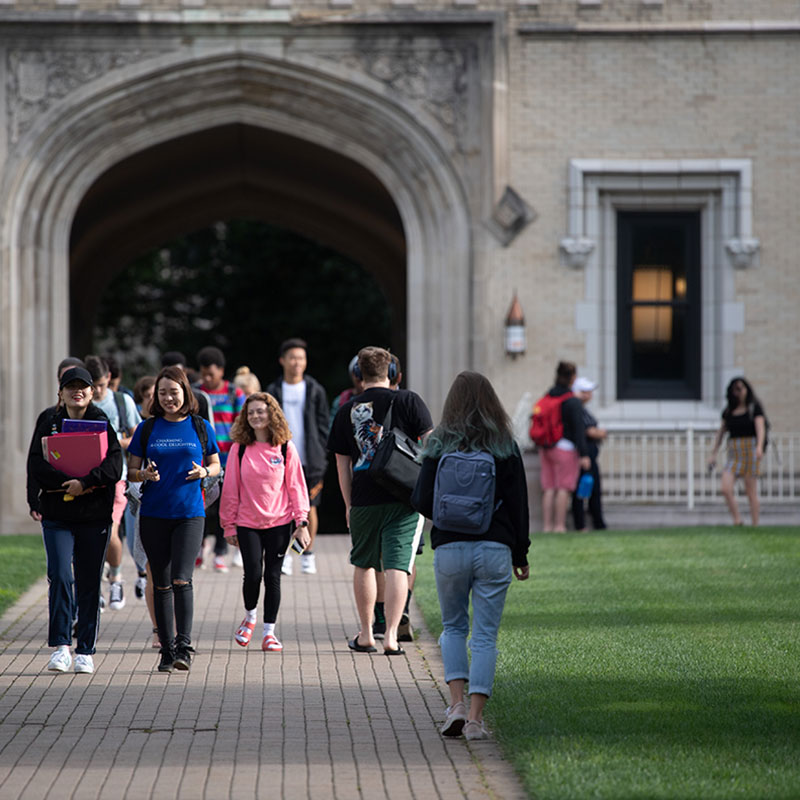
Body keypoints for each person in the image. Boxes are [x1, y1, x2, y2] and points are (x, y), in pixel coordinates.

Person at [411, 371, 530, 741]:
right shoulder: (504, 444)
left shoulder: (439, 444)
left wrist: (449, 516)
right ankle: (476, 721)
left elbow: (420, 500)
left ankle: (456, 705)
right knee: (485, 636)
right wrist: (520, 553)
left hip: (449, 548)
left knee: (454, 628)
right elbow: (519, 505)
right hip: (495, 547)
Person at [328, 346, 432, 655]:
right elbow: (431, 445)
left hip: (363, 498)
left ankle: (365, 635)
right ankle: (390, 637)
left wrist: (348, 505)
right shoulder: (410, 400)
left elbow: (341, 463)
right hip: (405, 497)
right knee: (398, 567)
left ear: (358, 374)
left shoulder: (347, 409)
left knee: (364, 565)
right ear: (390, 373)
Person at [26, 366, 123, 674]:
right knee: (60, 576)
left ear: (92, 391)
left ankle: (85, 650)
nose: (77, 391)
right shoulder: (48, 421)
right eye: (71, 386)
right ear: (61, 392)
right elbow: (35, 463)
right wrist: (66, 480)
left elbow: (114, 465)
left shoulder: (100, 421)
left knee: (89, 581)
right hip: (57, 514)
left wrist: (86, 482)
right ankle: (61, 647)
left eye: (83, 386)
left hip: (94, 515)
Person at [127, 366, 221, 673]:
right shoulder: (147, 428)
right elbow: (131, 472)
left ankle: (184, 647)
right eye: (163, 393)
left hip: (190, 514)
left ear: (185, 393)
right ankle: (166, 651)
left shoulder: (200, 425)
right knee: (162, 582)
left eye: (174, 392)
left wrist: (204, 472)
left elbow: (216, 464)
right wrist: (145, 474)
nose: (168, 398)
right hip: (154, 514)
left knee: (183, 578)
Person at [220, 392, 311, 652]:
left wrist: (301, 521)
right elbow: (230, 490)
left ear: (272, 414)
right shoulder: (239, 449)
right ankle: (250, 617)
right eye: (251, 413)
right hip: (247, 523)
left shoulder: (284, 447)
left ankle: (269, 633)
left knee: (272, 576)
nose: (256, 416)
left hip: (280, 523)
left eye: (261, 411)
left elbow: (296, 487)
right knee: (253, 574)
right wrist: (228, 525)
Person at [266, 338, 329, 577]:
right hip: (279, 459)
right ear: (282, 360)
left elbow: (324, 425)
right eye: (292, 357)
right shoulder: (273, 391)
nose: (297, 362)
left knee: (310, 506)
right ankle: (285, 555)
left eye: (301, 358)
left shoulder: (315, 390)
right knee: (282, 508)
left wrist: (321, 453)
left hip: (311, 459)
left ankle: (307, 553)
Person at [85, 354, 142, 611]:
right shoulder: (81, 403)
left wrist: (114, 441)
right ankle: (92, 586)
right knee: (86, 536)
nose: (97, 391)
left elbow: (138, 437)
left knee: (111, 530)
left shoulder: (121, 402)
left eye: (101, 384)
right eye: (92, 385)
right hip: (86, 476)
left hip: (115, 476)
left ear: (109, 378)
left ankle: (116, 577)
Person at [196, 346, 245, 572]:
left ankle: (220, 552)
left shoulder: (234, 393)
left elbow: (243, 424)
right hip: (202, 462)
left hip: (228, 460)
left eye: (211, 374)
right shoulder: (195, 392)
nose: (207, 378)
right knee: (204, 507)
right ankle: (199, 546)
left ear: (221, 371)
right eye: (204, 373)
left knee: (225, 508)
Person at [537, 361, 590, 533]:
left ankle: (547, 526)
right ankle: (559, 526)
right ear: (572, 378)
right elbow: (578, 429)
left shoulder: (548, 396)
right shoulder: (572, 401)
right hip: (565, 449)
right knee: (563, 488)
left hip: (546, 447)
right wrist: (584, 454)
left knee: (549, 488)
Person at [708, 377, 766, 526]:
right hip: (734, 453)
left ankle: (755, 524)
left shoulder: (754, 408)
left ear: (747, 390)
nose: (738, 392)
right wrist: (713, 453)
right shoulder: (728, 411)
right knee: (725, 488)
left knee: (750, 491)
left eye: (741, 389)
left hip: (750, 451)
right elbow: (720, 433)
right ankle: (737, 519)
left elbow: (760, 428)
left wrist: (759, 447)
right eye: (735, 389)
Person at [570, 377, 608, 532]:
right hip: (585, 455)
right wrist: (600, 433)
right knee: (584, 488)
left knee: (591, 487)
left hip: (587, 454)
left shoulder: (581, 408)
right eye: (587, 391)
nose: (590, 394)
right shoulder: (577, 408)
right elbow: (587, 430)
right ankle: (582, 523)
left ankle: (595, 521)